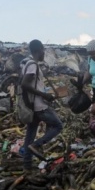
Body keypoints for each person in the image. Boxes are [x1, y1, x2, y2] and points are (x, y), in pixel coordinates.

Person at [22, 39, 64, 171]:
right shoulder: (33, 65)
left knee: (30, 134)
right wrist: (44, 95)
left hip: (32, 105)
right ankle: (37, 145)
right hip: (38, 105)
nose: (44, 53)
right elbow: (25, 84)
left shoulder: (26, 63)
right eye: (43, 50)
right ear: (37, 50)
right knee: (58, 125)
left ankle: (27, 166)